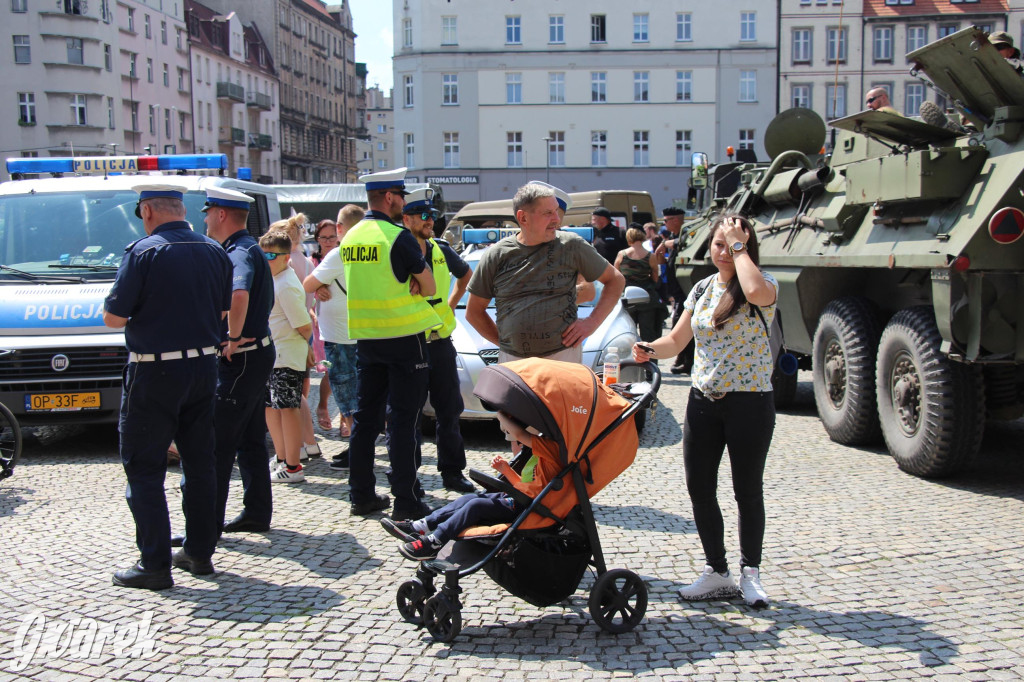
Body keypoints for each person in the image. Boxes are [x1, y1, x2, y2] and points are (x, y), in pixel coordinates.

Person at [632, 213, 777, 609]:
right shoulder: (701, 289)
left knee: (747, 490)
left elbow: (753, 288)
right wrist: (647, 348)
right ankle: (717, 572)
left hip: (750, 402)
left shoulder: (762, 285)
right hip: (703, 402)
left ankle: (751, 574)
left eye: (732, 243)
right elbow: (677, 341)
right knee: (699, 487)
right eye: (718, 243)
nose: (724, 250)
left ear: (746, 247)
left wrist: (738, 245)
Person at [103, 183, 232, 589]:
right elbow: (225, 308)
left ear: (147, 212)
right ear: (181, 209)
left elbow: (113, 318)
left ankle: (154, 564)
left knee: (143, 468)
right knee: (199, 463)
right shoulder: (214, 250)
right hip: (202, 368)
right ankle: (198, 552)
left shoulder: (142, 252)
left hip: (154, 372)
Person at [340, 168, 441, 520]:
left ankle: (361, 495)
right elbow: (429, 287)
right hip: (404, 337)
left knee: (365, 419)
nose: (403, 201)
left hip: (367, 339)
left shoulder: (350, 236)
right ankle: (405, 500)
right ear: (388, 198)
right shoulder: (396, 236)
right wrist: (416, 280)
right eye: (400, 194)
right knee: (402, 420)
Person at [466, 183, 625, 364]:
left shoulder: (572, 246)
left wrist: (591, 323)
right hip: (514, 363)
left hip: (563, 358)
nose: (557, 219)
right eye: (548, 213)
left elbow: (615, 280)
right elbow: (474, 312)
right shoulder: (496, 255)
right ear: (523, 217)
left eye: (556, 211)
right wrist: (506, 345)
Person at [380, 411, 560, 561]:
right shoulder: (542, 454)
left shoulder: (551, 449)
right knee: (469, 498)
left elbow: (520, 435)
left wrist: (501, 412)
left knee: (476, 505)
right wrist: (505, 469)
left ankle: (435, 541)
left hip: (526, 506)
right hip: (520, 498)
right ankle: (421, 526)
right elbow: (527, 486)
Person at [201, 187, 276, 538]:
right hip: (255, 354)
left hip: (242, 358)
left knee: (218, 445)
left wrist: (231, 336)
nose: (204, 220)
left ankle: (205, 529)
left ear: (220, 215)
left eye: (207, 212)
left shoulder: (239, 252)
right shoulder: (249, 248)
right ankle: (257, 513)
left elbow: (239, 292)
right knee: (249, 439)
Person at [402, 188, 475, 493]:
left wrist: (453, 302)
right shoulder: (399, 251)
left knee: (449, 410)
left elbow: (466, 274)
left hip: (441, 342)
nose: (429, 220)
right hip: (409, 343)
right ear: (407, 220)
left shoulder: (441, 249)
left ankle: (453, 473)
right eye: (422, 215)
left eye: (431, 215)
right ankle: (410, 477)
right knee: (410, 414)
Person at [305, 204, 364, 450]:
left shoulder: (340, 254)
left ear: (340, 228)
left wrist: (319, 285)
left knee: (344, 387)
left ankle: (357, 445)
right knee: (362, 388)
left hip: (340, 334)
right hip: (366, 331)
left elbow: (308, 284)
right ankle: (361, 441)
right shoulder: (375, 251)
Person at [260, 230, 315, 483]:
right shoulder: (275, 278)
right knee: (273, 407)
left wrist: (309, 349)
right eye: (263, 254)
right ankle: (283, 459)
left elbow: (304, 325)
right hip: (274, 354)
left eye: (271, 255)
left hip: (286, 355)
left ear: (285, 257)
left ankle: (293, 466)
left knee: (288, 408)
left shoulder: (286, 283)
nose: (266, 259)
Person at [268, 214, 321, 461]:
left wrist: (305, 341)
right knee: (293, 399)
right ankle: (304, 446)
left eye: (270, 254)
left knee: (290, 402)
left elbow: (300, 318)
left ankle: (293, 457)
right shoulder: (295, 265)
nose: (266, 259)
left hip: (291, 340)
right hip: (291, 339)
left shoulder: (287, 274)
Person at [614, 226, 668, 342]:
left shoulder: (621, 254)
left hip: (627, 298)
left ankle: (630, 357)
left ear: (629, 238)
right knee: (648, 333)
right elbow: (655, 278)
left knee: (628, 332)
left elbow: (616, 276)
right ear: (642, 238)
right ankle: (650, 358)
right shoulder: (650, 256)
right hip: (646, 298)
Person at [311, 218, 338, 431]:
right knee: (330, 368)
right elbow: (304, 289)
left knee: (346, 370)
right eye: (323, 237)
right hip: (321, 326)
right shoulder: (312, 262)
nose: (328, 241)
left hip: (345, 324)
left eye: (331, 237)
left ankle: (346, 416)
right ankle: (323, 406)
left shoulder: (344, 257)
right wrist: (316, 290)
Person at [658, 206, 692, 374]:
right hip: (677, 291)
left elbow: (686, 241)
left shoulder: (688, 232)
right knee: (679, 325)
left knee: (680, 326)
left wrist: (666, 243)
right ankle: (683, 359)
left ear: (676, 220)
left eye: (666, 221)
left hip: (686, 292)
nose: (664, 225)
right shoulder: (672, 236)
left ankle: (686, 360)